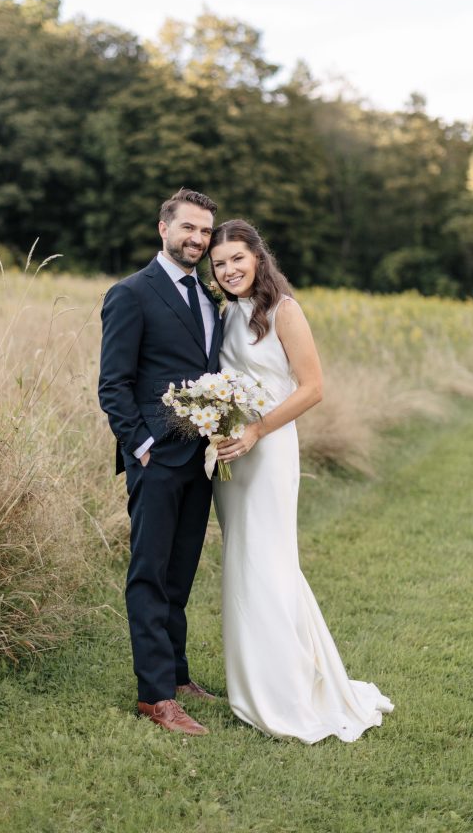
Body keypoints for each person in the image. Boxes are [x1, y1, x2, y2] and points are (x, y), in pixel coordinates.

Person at [209, 219, 394, 743]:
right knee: (244, 562)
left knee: (267, 561)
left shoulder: (283, 310)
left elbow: (313, 388)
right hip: (233, 455)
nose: (228, 271)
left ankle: (283, 691)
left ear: (258, 257)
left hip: (267, 450)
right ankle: (255, 681)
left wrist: (256, 431)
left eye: (237, 260)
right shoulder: (226, 313)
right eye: (219, 264)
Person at [98, 189, 223, 736]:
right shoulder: (131, 294)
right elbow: (113, 385)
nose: (197, 239)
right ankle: (155, 698)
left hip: (200, 460)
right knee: (149, 574)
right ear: (163, 228)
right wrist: (141, 447)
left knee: (180, 572)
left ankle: (176, 672)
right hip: (156, 459)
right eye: (188, 228)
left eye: (205, 232)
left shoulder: (210, 300)